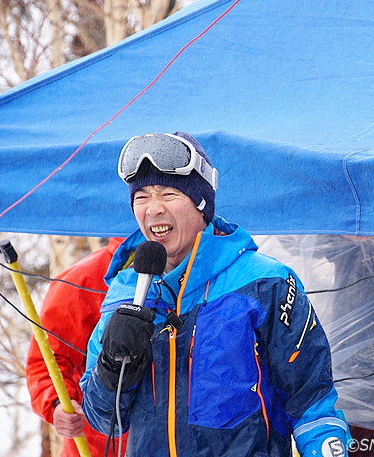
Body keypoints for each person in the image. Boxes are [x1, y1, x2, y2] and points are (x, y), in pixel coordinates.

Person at [80, 132, 350, 457]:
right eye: (141, 197)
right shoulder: (125, 292)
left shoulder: (264, 282)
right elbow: (103, 418)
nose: (153, 209)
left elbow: (312, 402)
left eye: (168, 193)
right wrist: (112, 367)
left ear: (201, 204)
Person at [26, 237, 127, 457]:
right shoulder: (84, 278)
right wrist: (57, 405)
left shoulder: (212, 269)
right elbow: (49, 360)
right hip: (101, 447)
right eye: (142, 199)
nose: (155, 209)